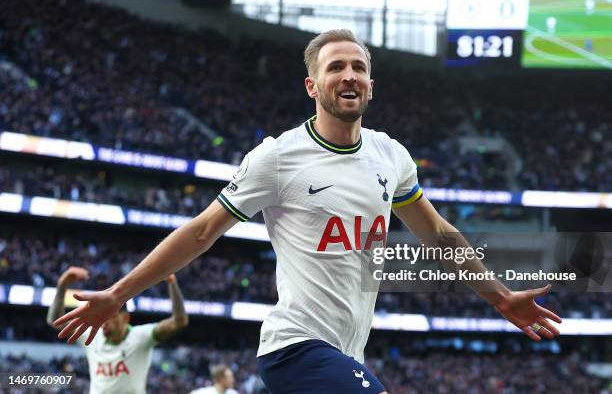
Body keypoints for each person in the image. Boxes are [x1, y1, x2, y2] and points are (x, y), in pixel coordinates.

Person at [54, 29, 562, 394]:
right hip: (294, 347)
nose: (349, 75)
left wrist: (499, 298)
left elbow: (438, 234)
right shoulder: (278, 157)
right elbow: (203, 231)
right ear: (312, 87)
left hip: (345, 354)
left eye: (359, 67)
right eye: (335, 67)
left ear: (370, 86)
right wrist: (119, 293)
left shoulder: (392, 156)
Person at [47, 266, 189, 394]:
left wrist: (172, 283)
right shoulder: (92, 335)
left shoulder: (141, 336)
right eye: (102, 316)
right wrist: (62, 285)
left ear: (125, 318)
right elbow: (55, 321)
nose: (104, 321)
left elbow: (179, 321)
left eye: (111, 316)